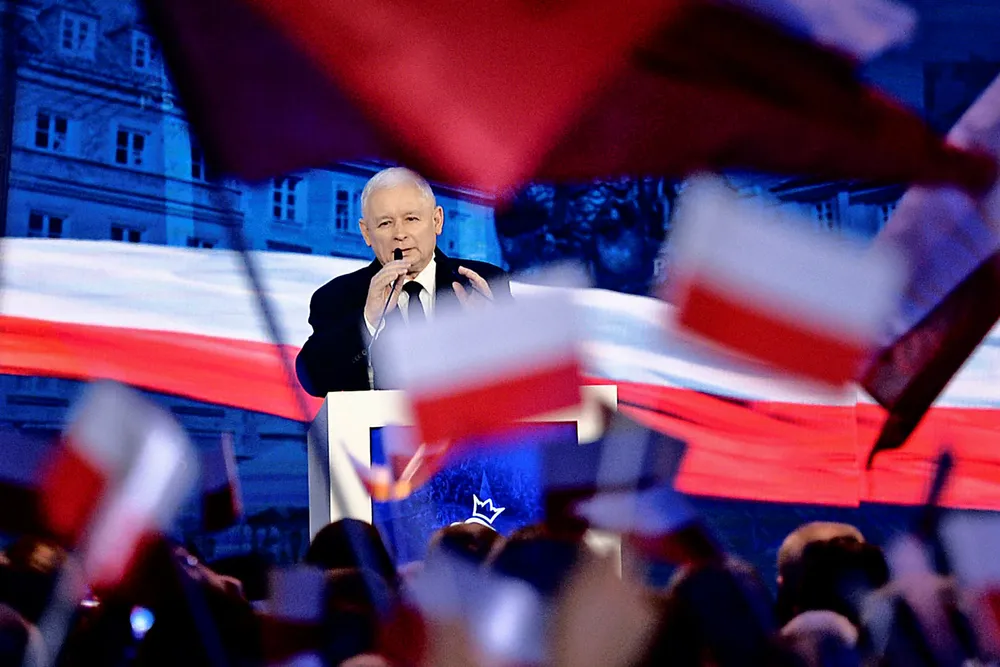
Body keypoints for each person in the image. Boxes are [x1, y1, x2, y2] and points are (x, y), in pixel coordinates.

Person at [296, 167, 510, 395]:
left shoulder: (483, 282)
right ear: (366, 233)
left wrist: (489, 330)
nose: (399, 234)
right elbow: (314, 380)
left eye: (411, 219)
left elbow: (527, 371)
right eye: (385, 223)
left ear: (437, 220)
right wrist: (368, 321)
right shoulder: (337, 296)